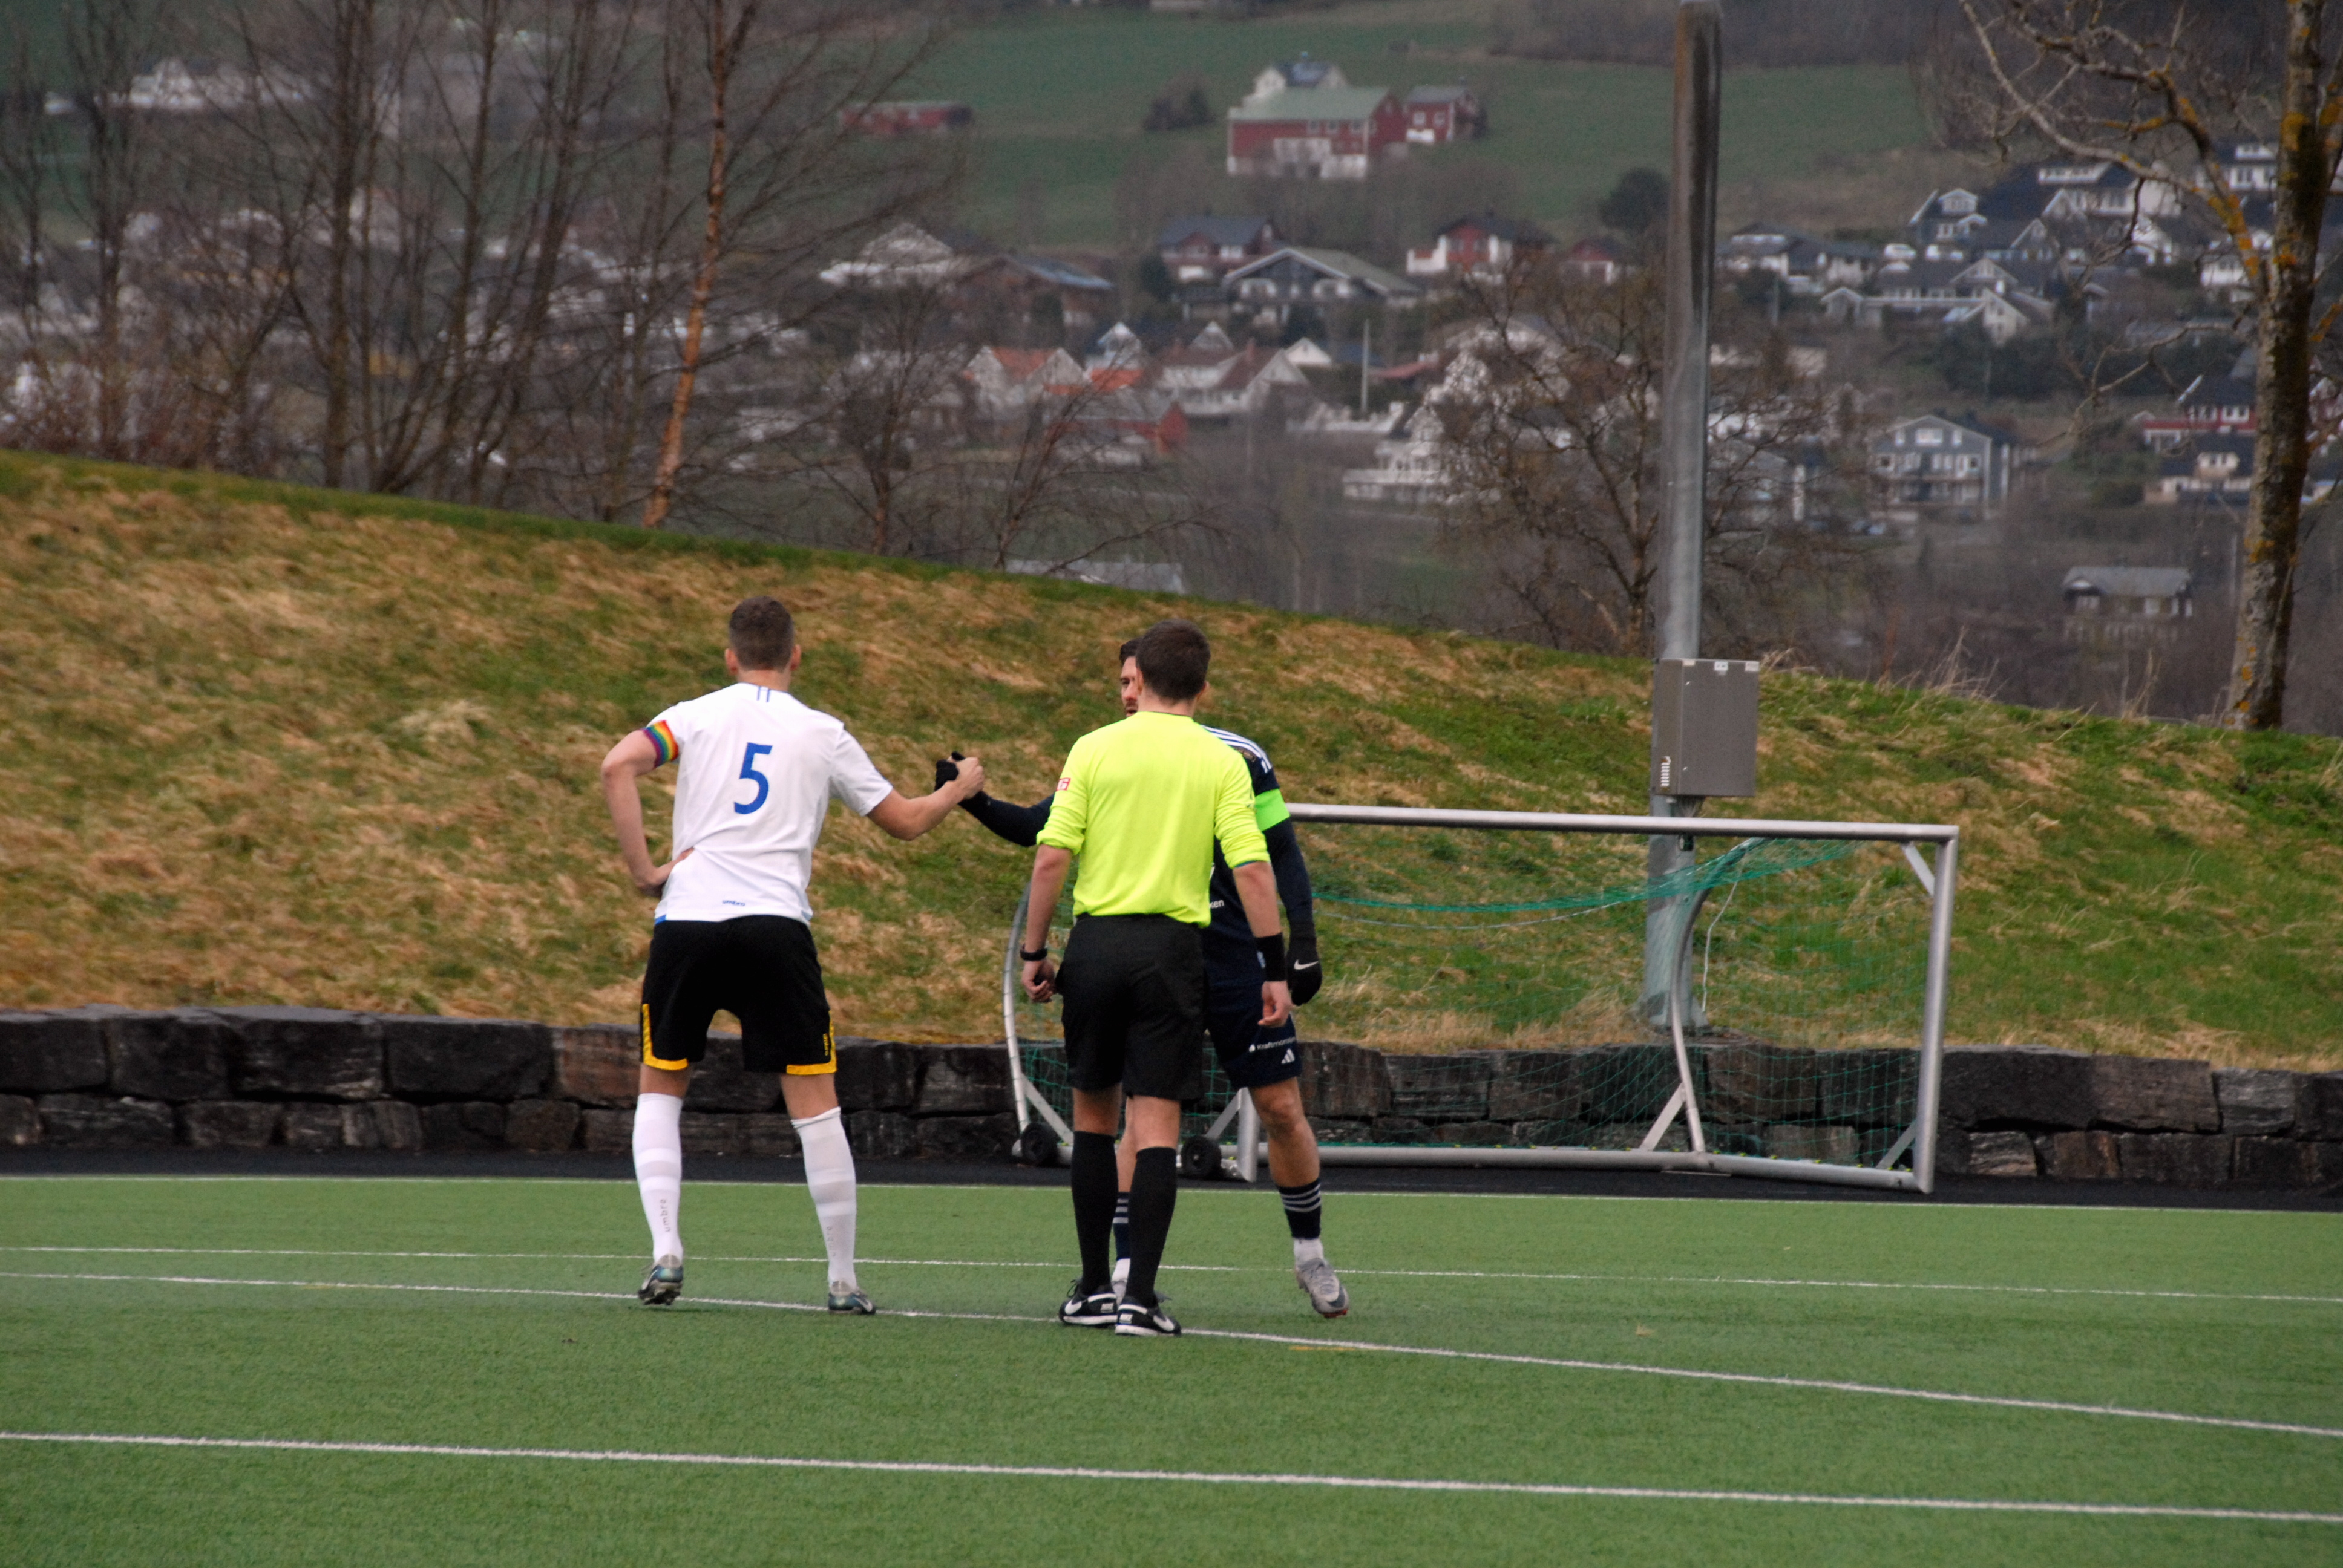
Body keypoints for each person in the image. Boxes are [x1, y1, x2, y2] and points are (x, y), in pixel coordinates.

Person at [600, 595, 985, 1312]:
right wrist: (959, 790)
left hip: (688, 921)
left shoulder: (694, 715)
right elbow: (904, 822)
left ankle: (666, 1250)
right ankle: (842, 1279)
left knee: (661, 1085)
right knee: (814, 1104)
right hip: (774, 927)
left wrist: (644, 871)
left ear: (730, 658)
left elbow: (617, 765)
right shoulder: (822, 732)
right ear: (795, 657)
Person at [946, 642, 1347, 1318]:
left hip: (1230, 954)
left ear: (1162, 681)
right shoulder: (1106, 747)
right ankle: (1130, 1272)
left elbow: (1277, 852)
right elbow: (1043, 830)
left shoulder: (1234, 757)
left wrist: (1298, 946)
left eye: (1133, 681)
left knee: (1279, 1107)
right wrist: (975, 801)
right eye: (1120, 683)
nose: (1126, 693)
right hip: (1160, 953)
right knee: (1142, 1115)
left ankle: (1309, 1252)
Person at [1018, 619, 1293, 1338]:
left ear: (1139, 678)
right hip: (1172, 953)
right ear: (1203, 687)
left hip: (1096, 945)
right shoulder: (1219, 761)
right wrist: (1272, 966)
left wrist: (1033, 953)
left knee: (1092, 1121)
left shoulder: (1093, 747)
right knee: (1158, 1130)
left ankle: (1089, 1290)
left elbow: (1051, 857)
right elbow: (1252, 869)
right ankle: (1138, 1298)